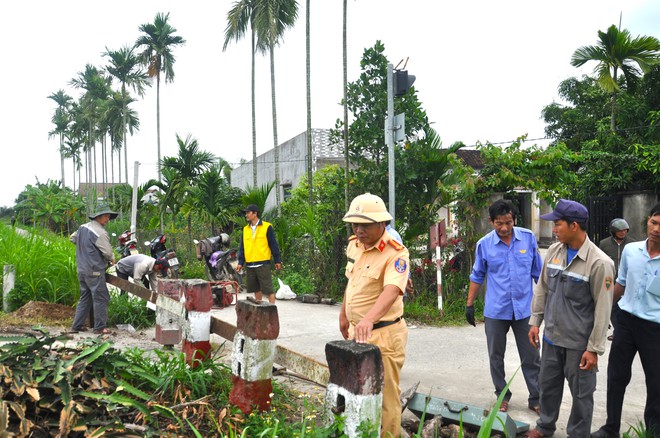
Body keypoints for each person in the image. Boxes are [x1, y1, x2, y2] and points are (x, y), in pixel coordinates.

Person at [525, 199, 615, 438]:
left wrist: (594, 349)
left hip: (579, 346)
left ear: (574, 225)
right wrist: (535, 322)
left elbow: (603, 310)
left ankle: (577, 434)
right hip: (552, 339)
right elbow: (543, 288)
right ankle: (545, 427)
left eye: (558, 223)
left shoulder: (600, 263)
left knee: (582, 396)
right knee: (548, 388)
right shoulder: (554, 251)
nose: (554, 229)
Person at [339, 193, 410, 437]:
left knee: (387, 397)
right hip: (356, 332)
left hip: (384, 334)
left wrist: (369, 319)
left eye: (365, 225)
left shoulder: (396, 253)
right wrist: (343, 314)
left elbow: (392, 290)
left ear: (382, 223)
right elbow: (351, 282)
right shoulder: (354, 245)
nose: (359, 230)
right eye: (355, 224)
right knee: (354, 389)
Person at [466, 199, 542, 414]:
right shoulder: (484, 245)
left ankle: (536, 397)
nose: (505, 228)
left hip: (525, 312)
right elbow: (477, 275)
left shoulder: (527, 239)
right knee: (495, 356)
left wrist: (548, 305)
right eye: (499, 223)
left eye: (508, 222)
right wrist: (469, 304)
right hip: (496, 311)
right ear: (491, 221)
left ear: (514, 219)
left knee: (532, 355)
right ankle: (502, 395)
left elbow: (540, 275)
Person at [591, 203, 660, 438]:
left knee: (656, 382)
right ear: (647, 221)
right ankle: (611, 428)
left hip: (655, 328)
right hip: (626, 321)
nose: (657, 229)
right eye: (654, 222)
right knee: (617, 375)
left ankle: (652, 431)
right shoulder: (632, 251)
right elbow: (620, 284)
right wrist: (601, 309)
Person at [70, 203, 118, 335]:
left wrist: (85, 246)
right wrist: (112, 259)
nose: (108, 220)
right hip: (94, 271)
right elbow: (108, 253)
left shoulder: (82, 227)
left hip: (82, 269)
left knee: (85, 298)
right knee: (101, 297)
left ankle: (76, 326)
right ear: (99, 216)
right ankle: (100, 327)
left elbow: (72, 238)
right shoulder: (101, 233)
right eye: (106, 217)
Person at [236, 204, 282, 304]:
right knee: (256, 289)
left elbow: (273, 244)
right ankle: (259, 311)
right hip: (250, 264)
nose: (246, 215)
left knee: (269, 290)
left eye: (248, 213)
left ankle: (271, 311)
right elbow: (242, 247)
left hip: (263, 264)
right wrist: (240, 262)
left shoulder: (267, 227)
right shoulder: (245, 229)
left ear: (255, 213)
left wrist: (277, 260)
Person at [599, 218, 636, 340]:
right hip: (610, 280)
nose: (623, 233)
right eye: (620, 231)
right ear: (613, 231)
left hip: (627, 281)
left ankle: (626, 330)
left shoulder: (632, 245)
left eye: (625, 230)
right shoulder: (604, 244)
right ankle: (617, 331)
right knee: (611, 305)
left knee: (625, 306)